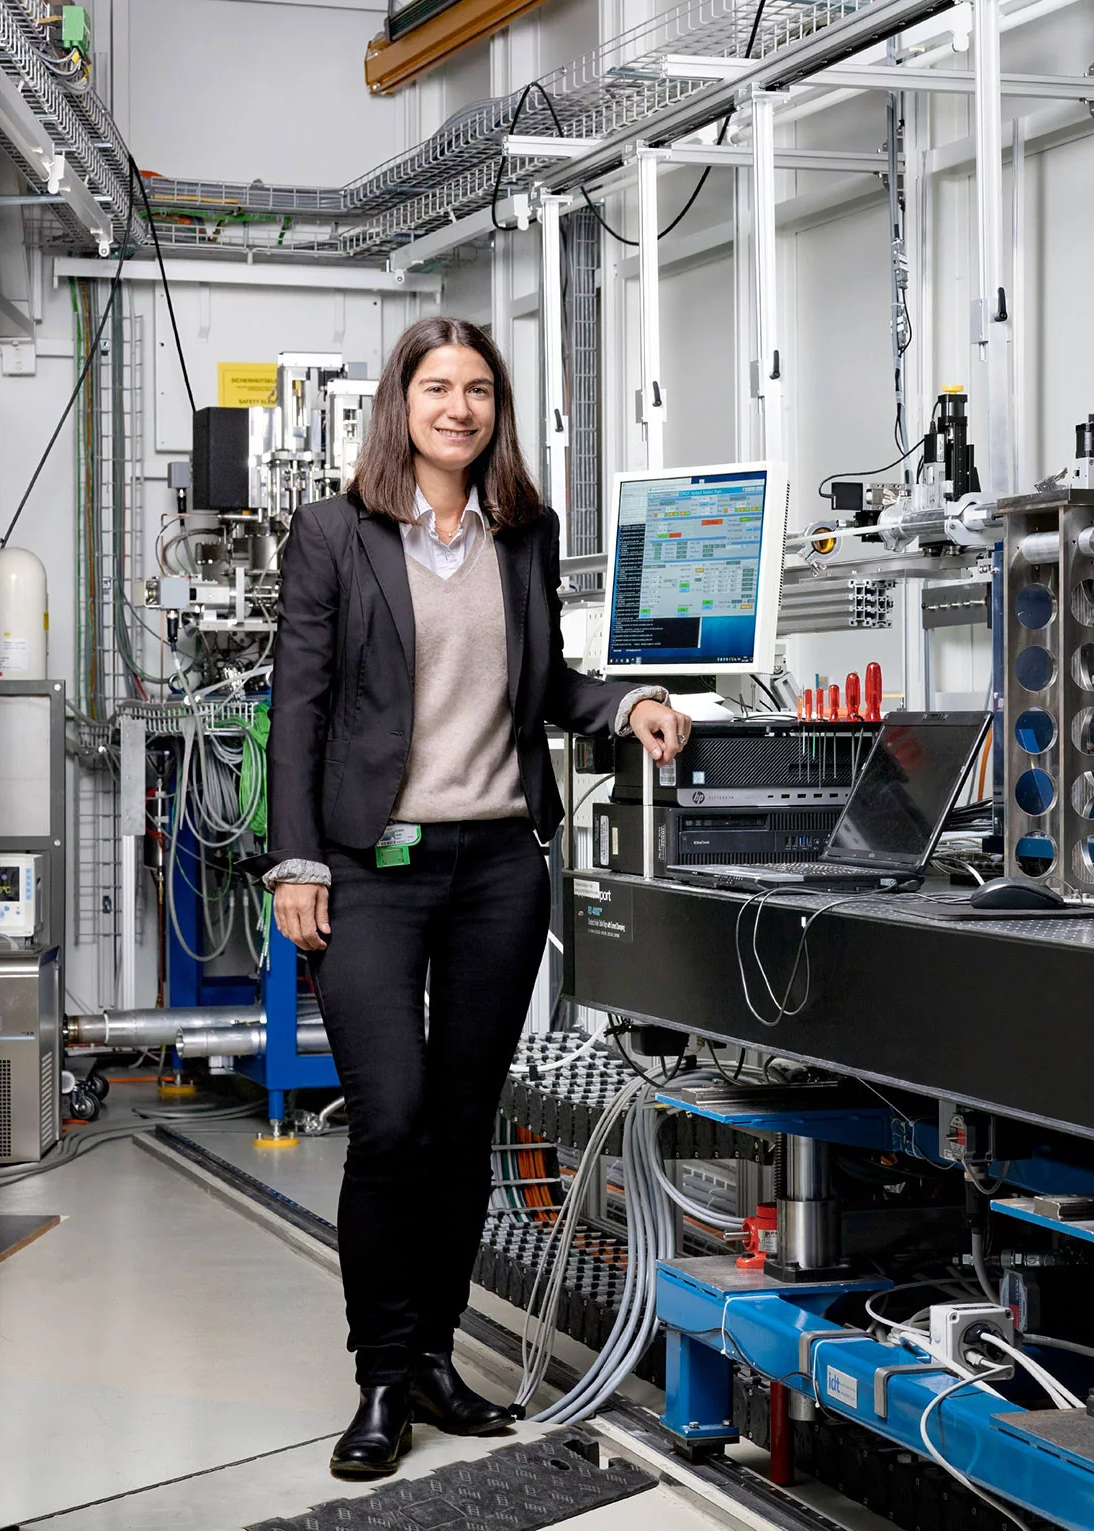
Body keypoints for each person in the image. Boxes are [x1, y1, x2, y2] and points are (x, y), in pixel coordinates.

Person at [263, 316, 688, 1480]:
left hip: (499, 866)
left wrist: (624, 703)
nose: (460, 407)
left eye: (480, 391)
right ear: (400, 402)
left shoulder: (520, 531)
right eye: (439, 387)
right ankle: (382, 1375)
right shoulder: (332, 536)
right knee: (389, 1120)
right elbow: (294, 709)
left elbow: (541, 680)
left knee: (460, 1130)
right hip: (372, 869)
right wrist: (295, 861)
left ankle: (438, 1357)